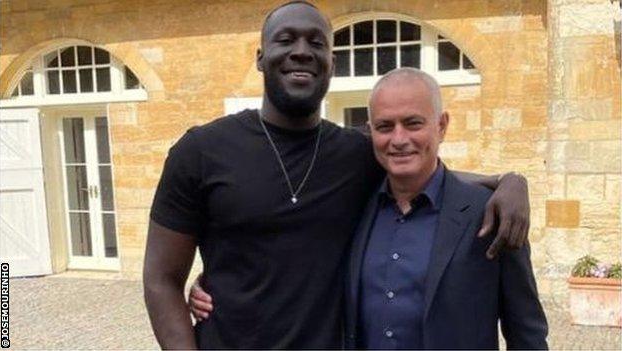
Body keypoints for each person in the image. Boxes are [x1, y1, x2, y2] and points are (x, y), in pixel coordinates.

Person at [145, 1, 532, 349]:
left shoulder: (355, 153)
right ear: (261, 57)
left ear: (332, 62)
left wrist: (509, 182)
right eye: (286, 40)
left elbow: (421, 170)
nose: (301, 52)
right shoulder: (200, 151)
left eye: (317, 43)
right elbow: (161, 278)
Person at [343, 68, 548, 349]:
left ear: (441, 126)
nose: (399, 139)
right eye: (385, 126)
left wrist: (513, 178)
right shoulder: (353, 209)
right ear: (370, 132)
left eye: (413, 123)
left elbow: (527, 335)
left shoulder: (489, 214)